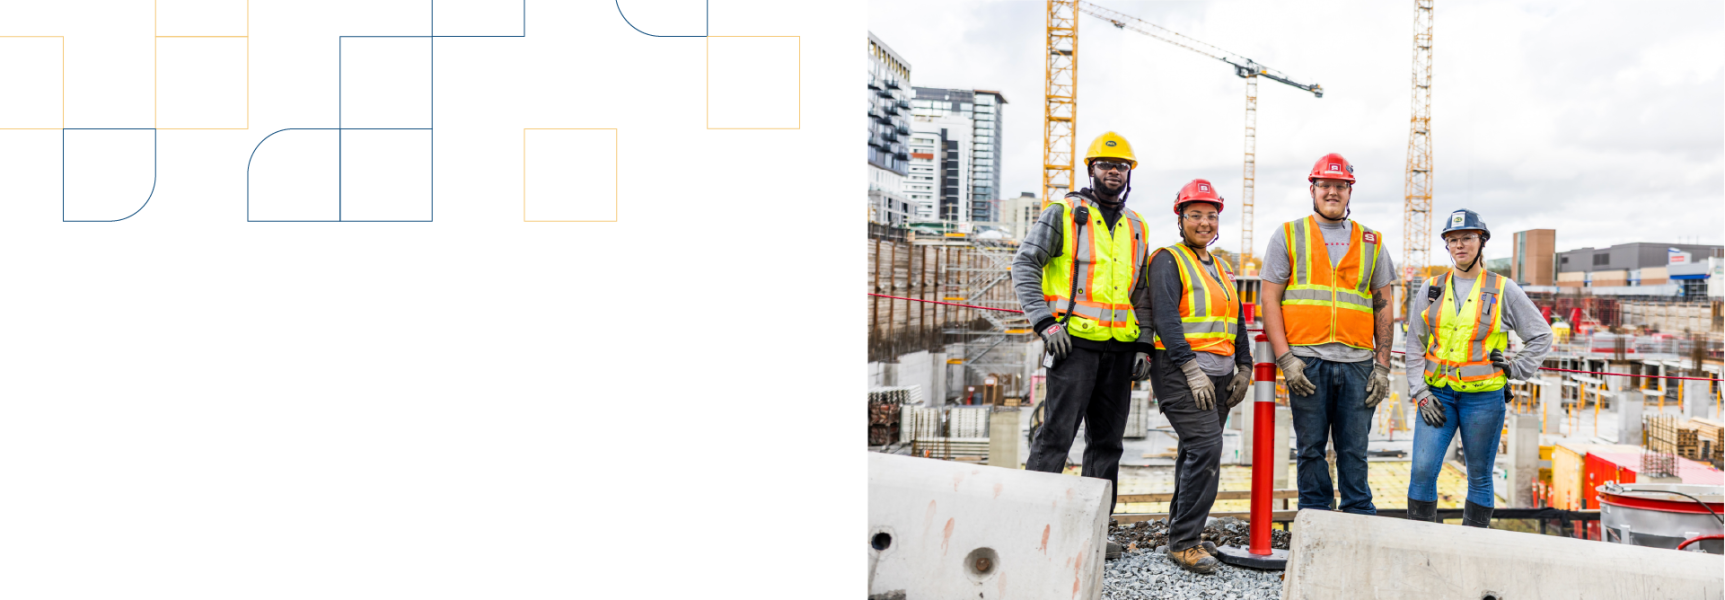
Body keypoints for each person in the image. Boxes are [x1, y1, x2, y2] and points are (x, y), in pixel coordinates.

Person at [1011, 132, 1153, 560]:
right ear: (1091, 169)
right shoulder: (1065, 213)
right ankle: (1030, 530)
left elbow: (1141, 290)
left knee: (1107, 445)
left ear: (1129, 173)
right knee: (1055, 436)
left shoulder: (1137, 226)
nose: (1114, 172)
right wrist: (1046, 324)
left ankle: (1092, 530)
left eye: (1122, 166)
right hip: (1073, 347)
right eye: (1106, 165)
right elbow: (1024, 264)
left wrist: (1145, 344)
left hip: (1121, 349)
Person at [1258, 153, 1398, 515]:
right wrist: (1286, 359)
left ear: (1350, 191)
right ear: (1313, 188)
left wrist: (1381, 367)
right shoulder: (1289, 234)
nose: (1332, 192)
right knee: (1310, 449)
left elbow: (1384, 306)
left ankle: (1358, 521)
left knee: (1354, 450)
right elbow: (1269, 300)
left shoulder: (1372, 241)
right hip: (1307, 363)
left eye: (1340, 186)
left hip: (1357, 365)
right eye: (1325, 185)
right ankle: (1315, 521)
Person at [1405, 209, 1552, 526]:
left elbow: (1541, 335)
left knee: (1480, 476)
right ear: (1447, 245)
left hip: (1484, 399)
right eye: (1453, 240)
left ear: (1481, 241)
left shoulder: (1503, 289)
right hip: (1438, 398)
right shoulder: (1432, 288)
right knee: (1421, 471)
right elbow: (1415, 343)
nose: (1460, 245)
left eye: (1467, 238)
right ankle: (1420, 547)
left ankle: (1472, 548)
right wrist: (1419, 392)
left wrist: (1517, 368)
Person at [1146, 179, 1252, 574]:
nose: (1204, 223)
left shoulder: (1221, 266)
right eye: (1195, 215)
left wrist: (1245, 367)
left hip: (1221, 376)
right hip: (1181, 373)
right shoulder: (1167, 260)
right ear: (1180, 218)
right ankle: (1185, 542)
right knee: (1207, 448)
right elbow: (1167, 320)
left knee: (1195, 453)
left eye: (1211, 215)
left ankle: (1182, 530)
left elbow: (1237, 320)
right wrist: (1191, 370)